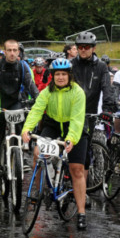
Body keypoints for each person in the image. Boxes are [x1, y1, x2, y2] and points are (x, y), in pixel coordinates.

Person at [21, 58, 88, 229]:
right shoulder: (47, 92)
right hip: (52, 125)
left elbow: (77, 119)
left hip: (74, 127)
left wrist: (71, 138)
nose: (60, 77)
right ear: (52, 76)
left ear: (69, 76)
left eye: (63, 74)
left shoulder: (77, 92)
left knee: (77, 169)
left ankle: (81, 212)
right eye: (57, 74)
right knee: (37, 153)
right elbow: (36, 110)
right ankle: (39, 192)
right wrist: (27, 128)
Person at [70, 31, 117, 225]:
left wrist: (107, 109)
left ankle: (81, 190)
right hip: (69, 111)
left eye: (86, 47)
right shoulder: (71, 64)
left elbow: (108, 89)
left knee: (85, 152)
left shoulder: (101, 68)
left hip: (89, 113)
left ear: (93, 48)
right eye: (80, 47)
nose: (83, 50)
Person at [0, 39, 39, 192]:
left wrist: (38, 99)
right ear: (4, 51)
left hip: (15, 103)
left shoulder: (22, 66)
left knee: (21, 132)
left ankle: (18, 154)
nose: (13, 53)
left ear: (18, 51)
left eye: (15, 50)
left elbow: (30, 85)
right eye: (9, 50)